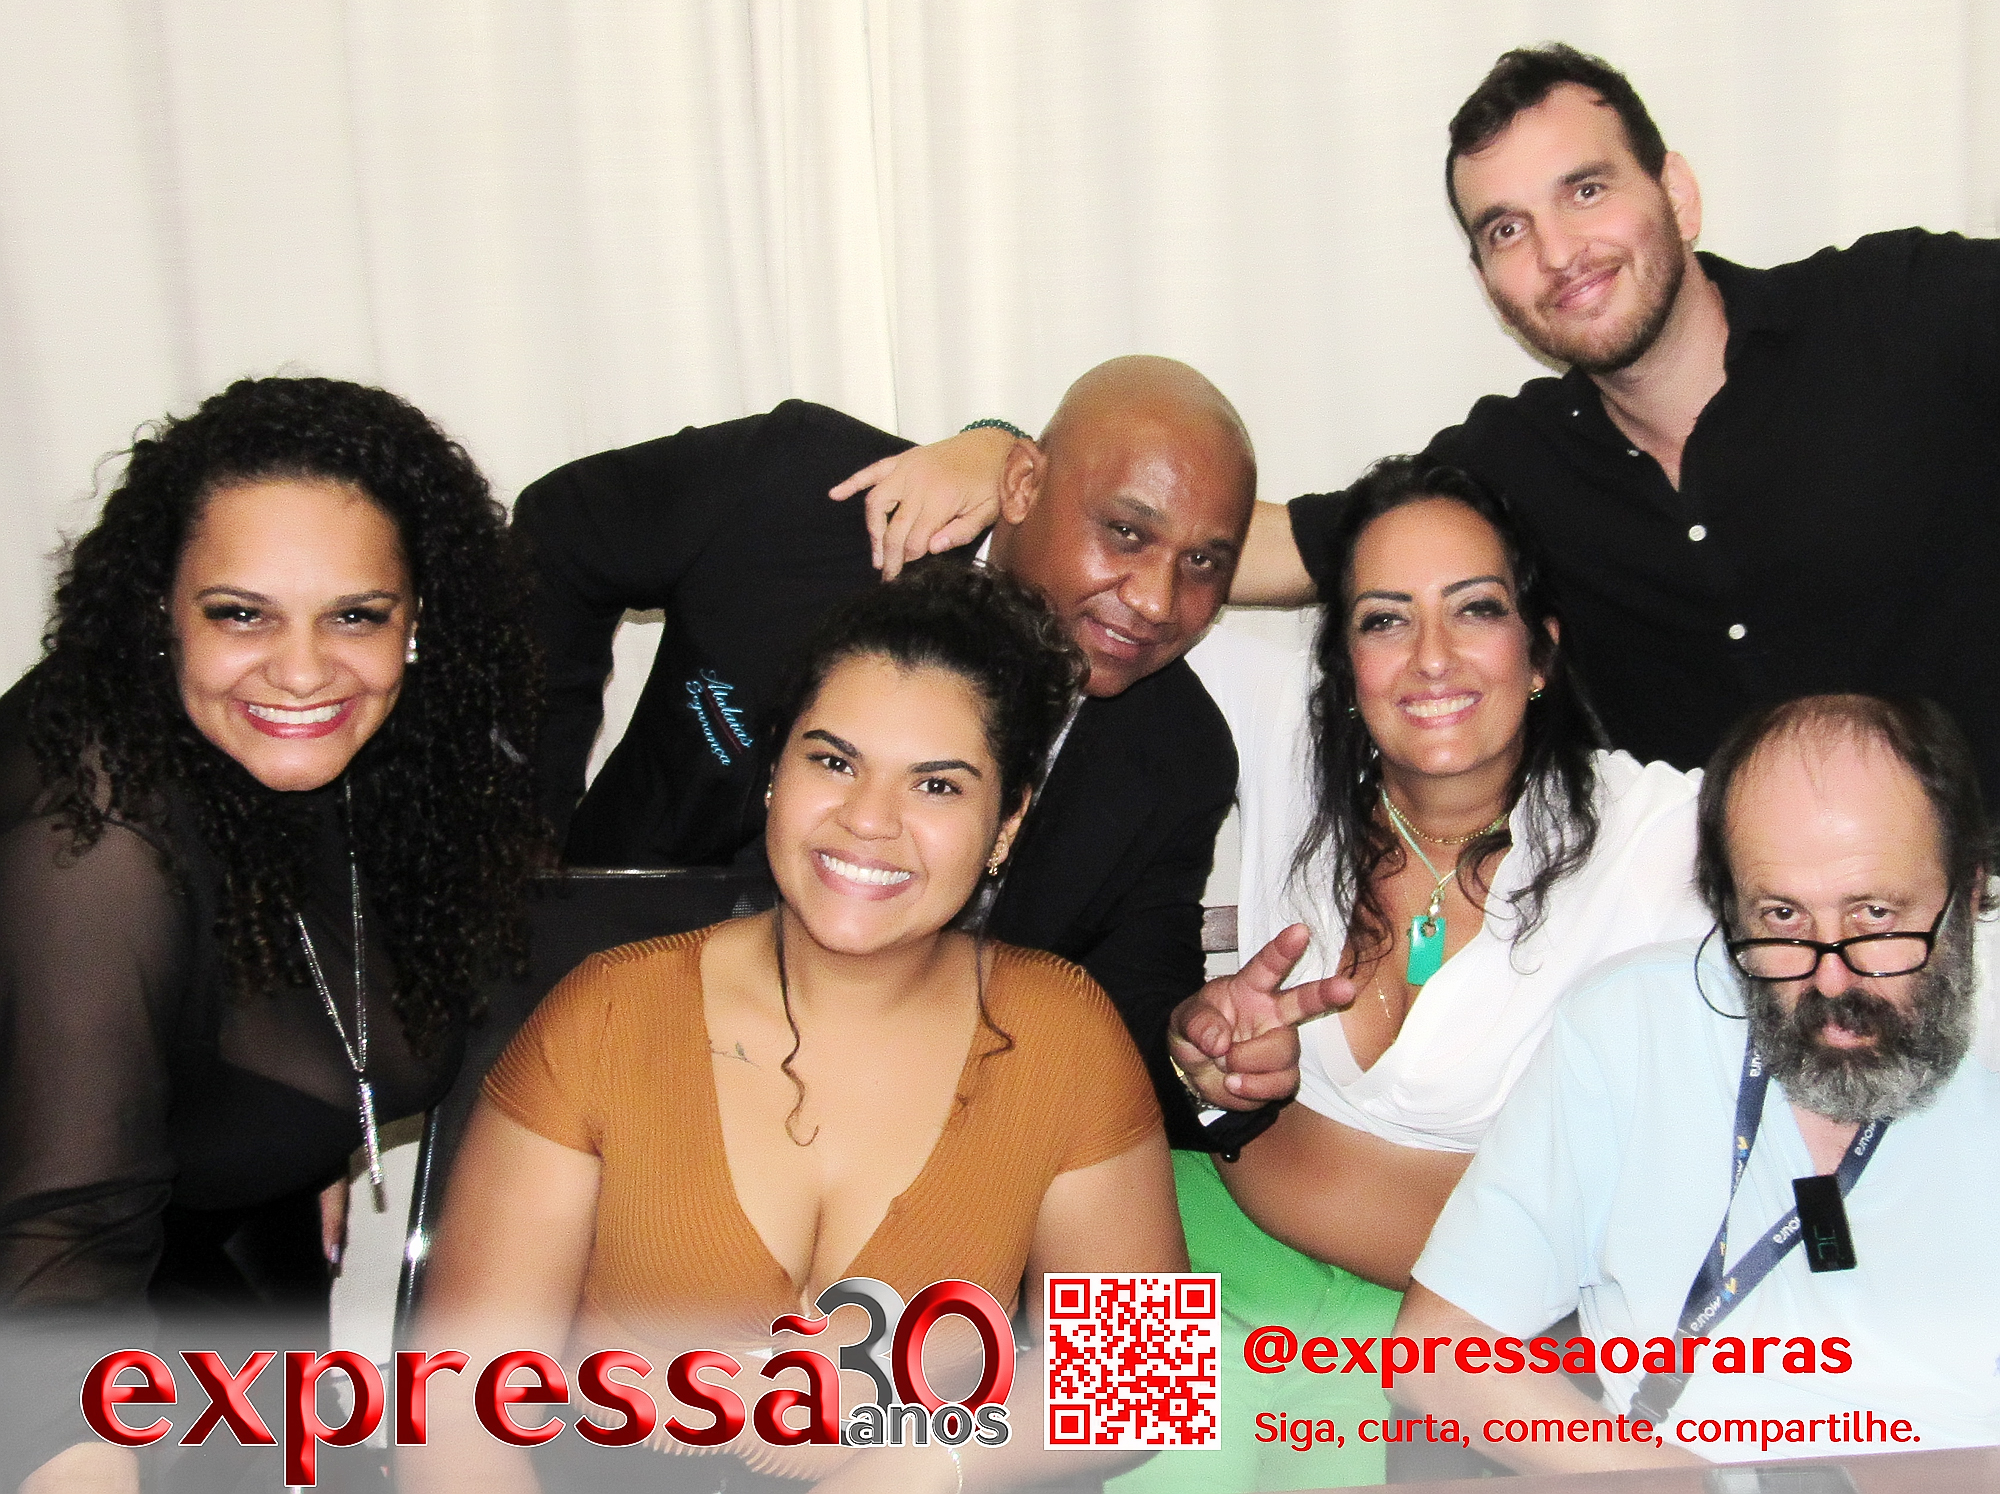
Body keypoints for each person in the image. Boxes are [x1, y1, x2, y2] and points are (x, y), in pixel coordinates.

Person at [833, 44, 2000, 799]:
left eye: (1585, 190)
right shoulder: (1512, 467)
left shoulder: (1906, 316)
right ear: (1487, 280)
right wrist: (1005, 455)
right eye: (1504, 229)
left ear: (1675, 194)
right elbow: (1244, 543)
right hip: (1725, 957)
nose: (1556, 252)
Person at [405, 565, 1186, 1493]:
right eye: (834, 761)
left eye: (937, 786)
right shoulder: (610, 1014)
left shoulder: (1061, 1036)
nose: (869, 821)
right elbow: (457, 1417)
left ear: (1007, 823)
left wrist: (920, 1463)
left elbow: (1142, 1388)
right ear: (776, 773)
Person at [1103, 459, 1709, 1492]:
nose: (1430, 657)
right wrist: (993, 451)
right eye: (1384, 619)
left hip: (1424, 1333)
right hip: (1176, 1236)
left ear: (1539, 652)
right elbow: (1099, 577)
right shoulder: (1283, 731)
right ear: (1342, 665)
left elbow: (1867, 861)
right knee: (1111, 1466)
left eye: (1474, 609)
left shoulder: (1653, 840)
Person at [515, 355, 1292, 1151]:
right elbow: (561, 532)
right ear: (1022, 484)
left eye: (1204, 562)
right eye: (1126, 533)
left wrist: (1200, 1062)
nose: (1156, 601)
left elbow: (1130, 1026)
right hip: (600, 1040)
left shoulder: (1176, 756)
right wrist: (515, 838)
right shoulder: (808, 497)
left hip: (893, 1153)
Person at [0, 377, 545, 1492]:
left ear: (417, 618)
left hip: (203, 1280)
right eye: (240, 614)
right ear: (160, 610)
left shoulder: (393, 759)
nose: (301, 671)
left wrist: (287, 1125)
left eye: (355, 615)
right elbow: (56, 1275)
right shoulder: (90, 833)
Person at [1396, 694, 2000, 1471]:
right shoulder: (1633, 1025)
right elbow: (1440, 1350)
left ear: (1969, 890)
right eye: (1781, 917)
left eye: (1876, 914)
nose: (1830, 977)